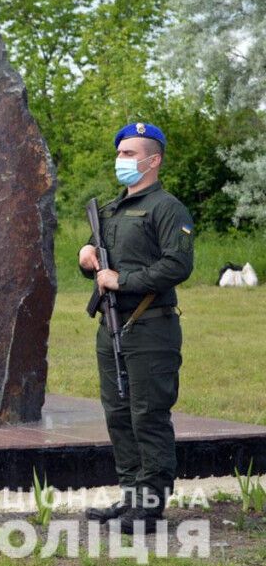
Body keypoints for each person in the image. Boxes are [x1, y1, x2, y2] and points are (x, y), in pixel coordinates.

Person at [79, 122, 194, 535]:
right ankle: (130, 496)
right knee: (119, 413)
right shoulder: (111, 209)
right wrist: (86, 258)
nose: (121, 161)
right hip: (112, 328)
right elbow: (100, 267)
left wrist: (122, 281)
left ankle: (150, 505)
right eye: (120, 153)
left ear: (153, 160)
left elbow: (177, 265)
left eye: (129, 154)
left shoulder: (167, 208)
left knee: (148, 414)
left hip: (150, 328)